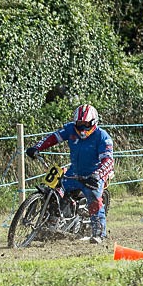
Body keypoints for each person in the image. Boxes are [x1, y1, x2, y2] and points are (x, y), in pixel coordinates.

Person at [26, 104, 114, 244]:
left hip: (94, 174)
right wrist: (37, 147)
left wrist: (97, 175)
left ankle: (99, 233)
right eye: (79, 124)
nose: (82, 128)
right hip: (73, 172)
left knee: (94, 200)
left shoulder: (103, 137)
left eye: (86, 124)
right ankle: (50, 224)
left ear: (93, 123)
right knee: (55, 192)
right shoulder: (70, 129)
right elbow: (53, 137)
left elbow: (108, 160)